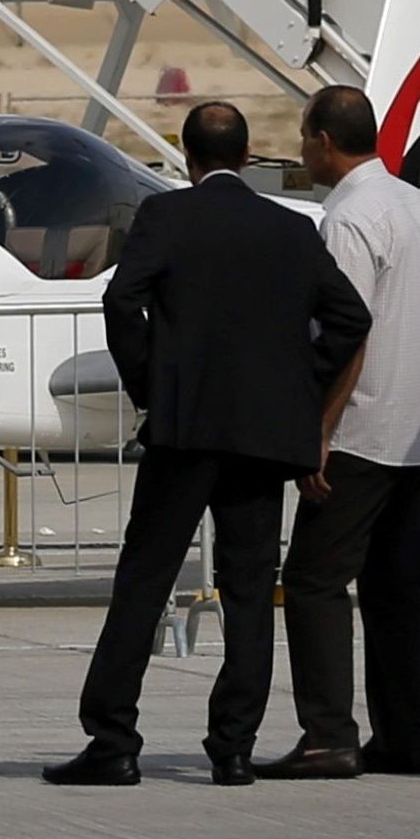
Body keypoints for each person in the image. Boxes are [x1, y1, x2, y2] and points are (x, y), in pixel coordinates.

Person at [47, 102, 370, 791]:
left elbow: (120, 301)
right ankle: (232, 746)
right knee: (249, 591)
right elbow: (349, 318)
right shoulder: (288, 228)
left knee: (144, 578)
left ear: (186, 160)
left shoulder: (166, 218)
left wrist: (147, 384)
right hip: (260, 437)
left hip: (185, 428)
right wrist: (297, 390)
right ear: (247, 157)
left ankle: (113, 738)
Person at [259, 85, 420, 782]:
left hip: (364, 427)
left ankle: (327, 735)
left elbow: (347, 330)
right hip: (418, 428)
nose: (301, 149)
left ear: (323, 140)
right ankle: (402, 735)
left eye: (304, 136)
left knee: (311, 581)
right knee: (394, 591)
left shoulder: (348, 218)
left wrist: (318, 429)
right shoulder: (415, 205)